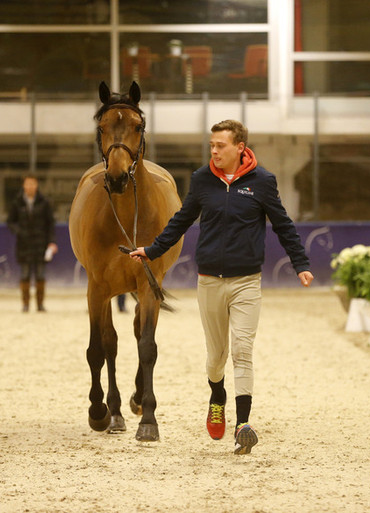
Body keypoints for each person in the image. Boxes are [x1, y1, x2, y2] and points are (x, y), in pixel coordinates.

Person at [129, 120, 314, 455]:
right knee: (217, 358)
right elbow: (181, 220)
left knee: (242, 351)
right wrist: (152, 250)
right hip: (210, 282)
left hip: (247, 282)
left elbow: (283, 225)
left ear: (240, 147)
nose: (214, 151)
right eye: (211, 145)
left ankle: (243, 424)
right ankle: (218, 397)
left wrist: (300, 264)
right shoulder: (202, 180)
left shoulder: (263, 182)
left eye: (220, 145)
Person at [7, 175, 58, 312]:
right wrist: (18, 231)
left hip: (40, 244)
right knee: (25, 275)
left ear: (36, 186)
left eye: (32, 184)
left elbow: (50, 224)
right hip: (24, 245)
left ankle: (40, 304)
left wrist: (52, 242)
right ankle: (25, 304)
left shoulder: (44, 202)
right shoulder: (17, 203)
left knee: (40, 275)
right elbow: (10, 222)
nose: (30, 187)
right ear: (24, 186)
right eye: (27, 184)